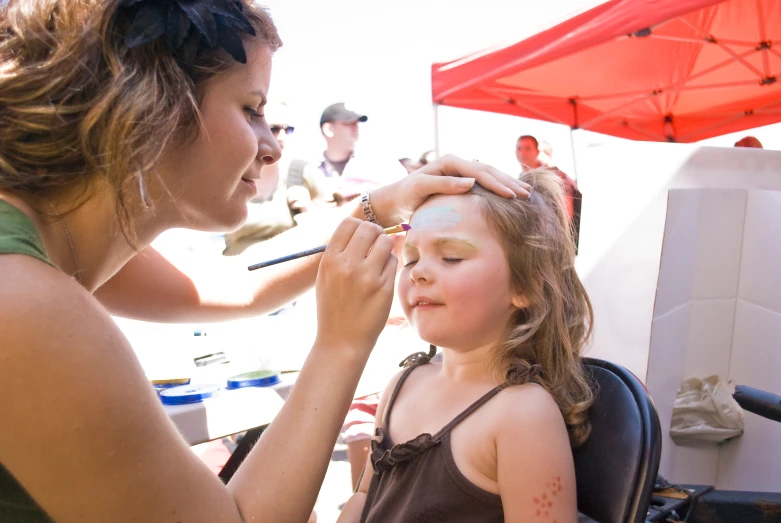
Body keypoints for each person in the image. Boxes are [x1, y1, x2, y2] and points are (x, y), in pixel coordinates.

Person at [0, 1, 531, 522]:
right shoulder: (23, 302)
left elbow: (235, 286)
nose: (272, 146)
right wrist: (341, 344)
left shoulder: (42, 241)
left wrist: (379, 204)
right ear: (151, 104)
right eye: (251, 109)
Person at [337, 170, 593, 522]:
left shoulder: (522, 414)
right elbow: (364, 496)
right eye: (411, 258)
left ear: (526, 288)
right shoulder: (402, 383)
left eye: (452, 257)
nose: (418, 272)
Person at [222, 101, 323, 255]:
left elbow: (333, 227)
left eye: (287, 129)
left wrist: (310, 210)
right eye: (274, 129)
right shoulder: (229, 176)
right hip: (238, 274)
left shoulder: (301, 173)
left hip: (292, 274)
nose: (282, 136)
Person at [313, 102, 408, 205]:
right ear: (329, 129)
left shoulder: (378, 163)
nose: (356, 127)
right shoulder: (307, 171)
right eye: (348, 123)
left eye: (357, 123)